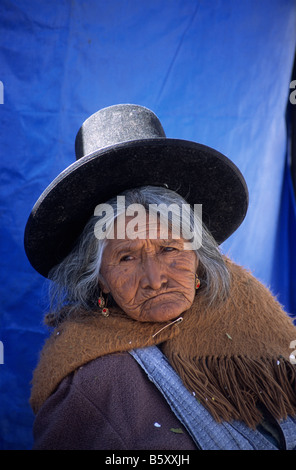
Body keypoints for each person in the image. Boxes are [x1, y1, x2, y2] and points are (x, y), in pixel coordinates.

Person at [24, 104, 296, 450]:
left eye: (169, 249)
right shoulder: (92, 385)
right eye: (126, 257)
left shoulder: (252, 313)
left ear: (198, 256)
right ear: (100, 281)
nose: (154, 278)